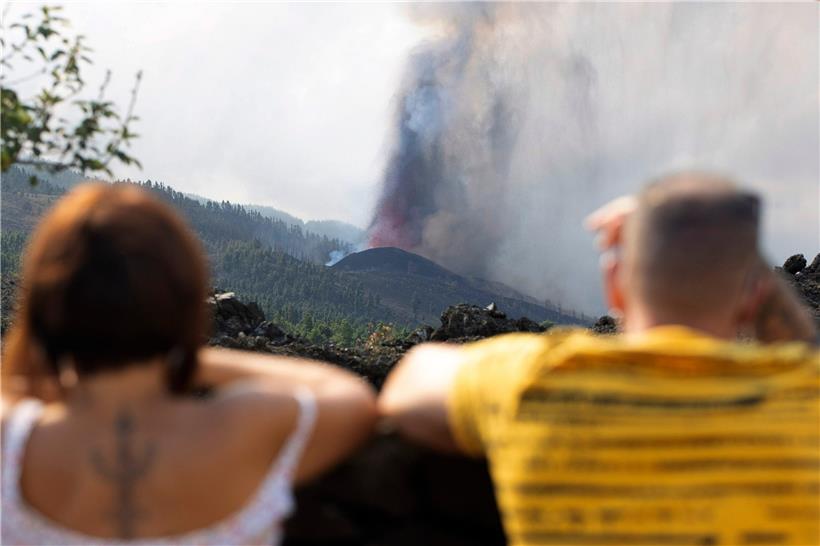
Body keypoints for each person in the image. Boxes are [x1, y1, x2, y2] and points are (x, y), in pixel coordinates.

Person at [380, 172, 819, 546]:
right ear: (756, 294)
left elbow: (406, 386)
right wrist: (741, 264)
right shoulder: (807, 399)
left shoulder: (539, 377)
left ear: (614, 284)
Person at [1, 183, 377, 545]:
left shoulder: (12, 439)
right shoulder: (246, 428)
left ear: (47, 305)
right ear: (184, 301)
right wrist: (188, 357)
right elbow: (344, 393)